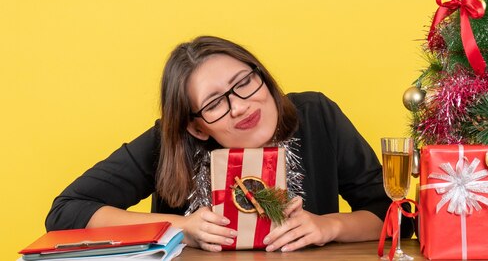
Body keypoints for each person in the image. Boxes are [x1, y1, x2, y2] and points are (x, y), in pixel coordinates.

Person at [46, 36, 413, 252]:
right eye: (214, 103)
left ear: (263, 78)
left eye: (244, 82)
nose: (240, 106)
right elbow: (66, 212)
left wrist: (329, 226)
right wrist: (179, 227)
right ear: (197, 127)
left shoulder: (316, 115)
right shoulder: (168, 141)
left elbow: (393, 213)